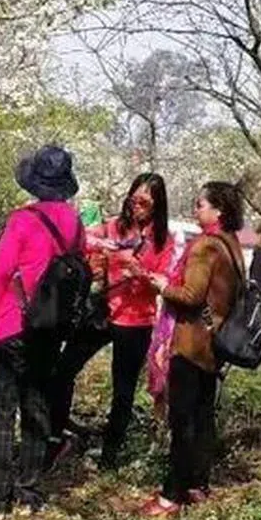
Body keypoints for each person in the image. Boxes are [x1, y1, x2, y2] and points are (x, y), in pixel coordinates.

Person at [0, 144, 83, 520]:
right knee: (37, 408)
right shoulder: (73, 223)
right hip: (50, 327)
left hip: (13, 325)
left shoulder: (23, 221)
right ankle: (29, 492)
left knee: (1, 409)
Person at [49, 171, 175, 468]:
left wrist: (140, 273)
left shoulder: (162, 240)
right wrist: (94, 262)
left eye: (146, 199)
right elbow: (85, 249)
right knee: (63, 370)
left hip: (136, 320)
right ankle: (56, 436)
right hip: (102, 312)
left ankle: (110, 454)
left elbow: (164, 280)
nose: (138, 204)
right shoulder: (112, 228)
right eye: (135, 196)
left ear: (157, 204)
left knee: (123, 389)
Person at [141, 180, 243, 517]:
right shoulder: (232, 245)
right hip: (215, 344)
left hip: (190, 342)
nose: (194, 209)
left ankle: (171, 493)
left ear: (218, 210)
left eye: (200, 204)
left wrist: (163, 286)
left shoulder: (205, 247)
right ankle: (198, 484)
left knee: (182, 419)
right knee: (202, 418)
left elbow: (191, 295)